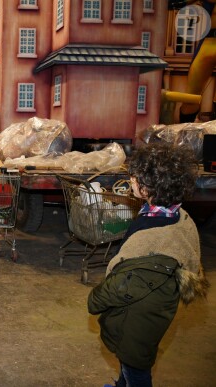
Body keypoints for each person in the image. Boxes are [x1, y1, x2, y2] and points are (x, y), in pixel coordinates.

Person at [87, 143, 209, 387]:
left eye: (136, 178)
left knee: (136, 366)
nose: (131, 180)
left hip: (139, 313)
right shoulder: (173, 214)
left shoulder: (152, 243)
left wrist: (96, 299)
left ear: (150, 187)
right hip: (151, 305)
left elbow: (124, 284)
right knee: (129, 361)